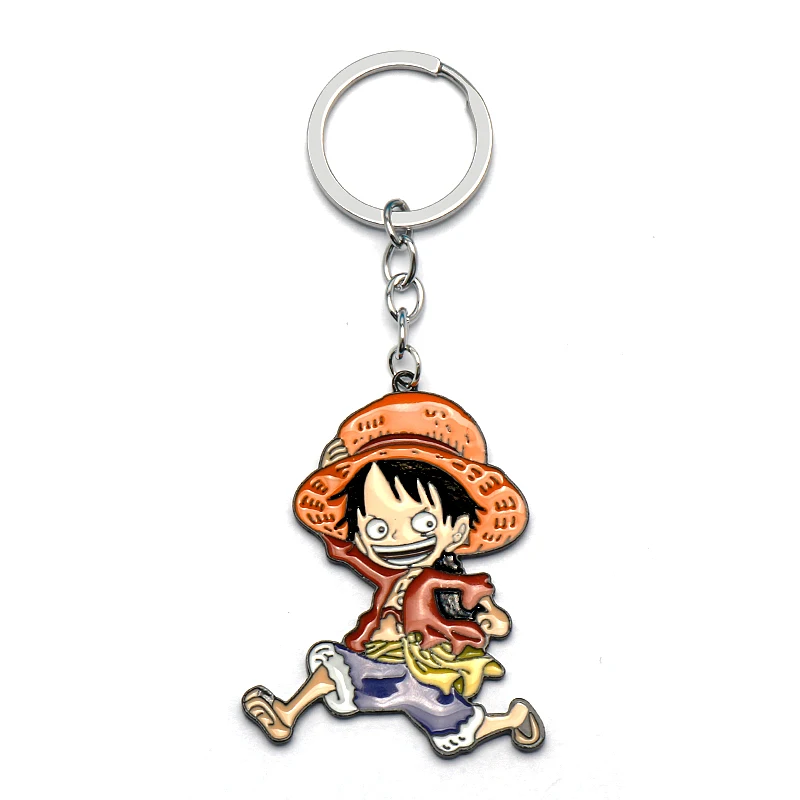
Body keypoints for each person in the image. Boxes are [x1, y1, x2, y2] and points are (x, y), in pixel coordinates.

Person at [242, 393, 545, 757]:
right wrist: (327, 475)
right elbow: (341, 547)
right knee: (338, 668)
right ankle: (287, 714)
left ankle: (513, 718)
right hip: (383, 658)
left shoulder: (455, 583)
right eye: (378, 529)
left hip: (430, 669)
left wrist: (491, 619)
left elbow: (493, 616)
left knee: (449, 723)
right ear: (358, 532)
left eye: (424, 523)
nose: (400, 538)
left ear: (459, 531)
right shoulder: (388, 574)